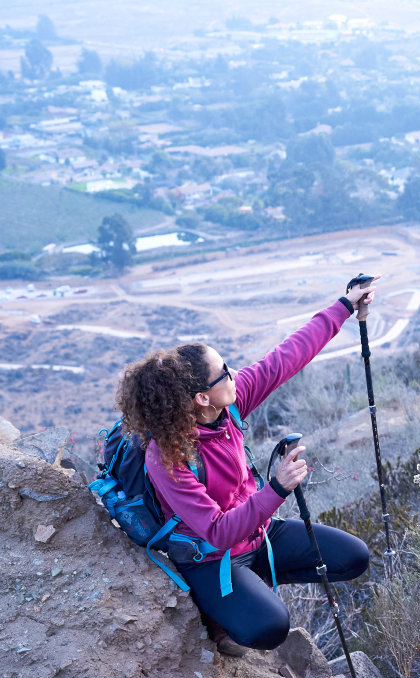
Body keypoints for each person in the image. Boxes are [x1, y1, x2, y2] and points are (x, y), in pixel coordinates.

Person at [115, 278, 379, 655]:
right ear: (202, 397)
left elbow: (287, 357)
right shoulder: (168, 456)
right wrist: (277, 488)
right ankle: (217, 611)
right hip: (212, 556)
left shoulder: (229, 405)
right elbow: (217, 531)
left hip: (259, 533)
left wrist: (345, 305)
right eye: (224, 371)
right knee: (269, 628)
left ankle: (249, 584)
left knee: (353, 557)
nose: (233, 374)